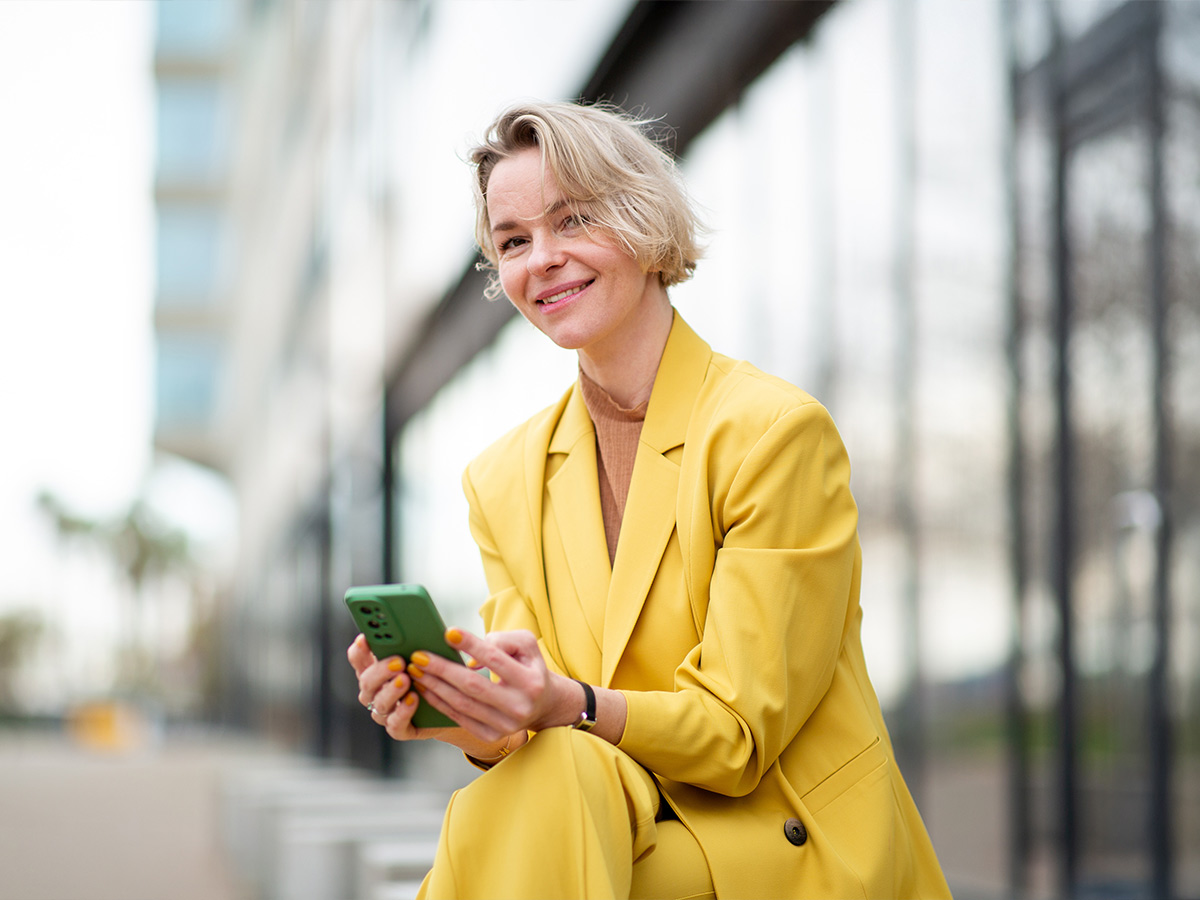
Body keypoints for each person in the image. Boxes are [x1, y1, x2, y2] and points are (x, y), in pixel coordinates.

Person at [348, 100, 950, 900]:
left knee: (505, 834)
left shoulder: (774, 436)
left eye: (573, 220)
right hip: (602, 819)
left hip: (777, 838)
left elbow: (737, 736)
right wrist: (466, 717)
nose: (543, 259)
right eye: (514, 241)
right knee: (540, 785)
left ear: (642, 219)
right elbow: (536, 723)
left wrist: (567, 704)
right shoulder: (501, 478)